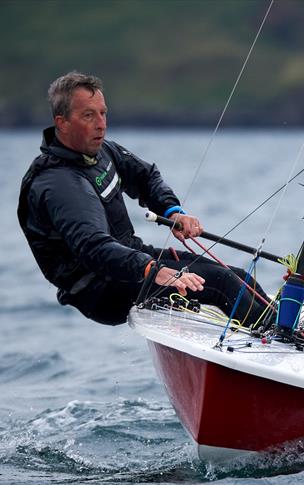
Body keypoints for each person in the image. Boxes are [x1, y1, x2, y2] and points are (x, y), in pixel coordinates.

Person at [18, 71, 269, 326]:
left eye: (103, 113)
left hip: (132, 260)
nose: (101, 124)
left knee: (237, 277)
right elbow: (93, 247)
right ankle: (278, 340)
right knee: (223, 284)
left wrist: (172, 211)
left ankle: (286, 328)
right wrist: (151, 270)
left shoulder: (100, 151)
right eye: (88, 116)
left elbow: (145, 176)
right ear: (62, 123)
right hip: (99, 289)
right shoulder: (58, 184)